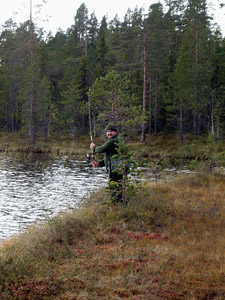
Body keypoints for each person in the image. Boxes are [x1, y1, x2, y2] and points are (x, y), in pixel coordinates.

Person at [90, 124, 124, 203]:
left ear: (115, 132)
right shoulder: (114, 140)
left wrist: (94, 147)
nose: (109, 133)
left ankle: (117, 205)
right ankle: (119, 204)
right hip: (117, 168)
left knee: (115, 189)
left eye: (111, 131)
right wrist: (99, 164)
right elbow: (110, 157)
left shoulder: (113, 141)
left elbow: (101, 149)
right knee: (118, 188)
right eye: (108, 132)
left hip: (115, 169)